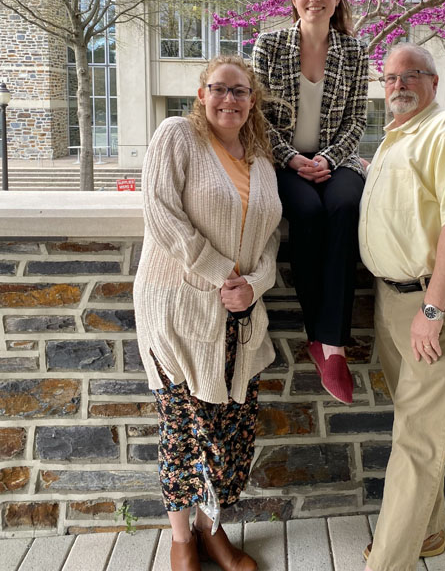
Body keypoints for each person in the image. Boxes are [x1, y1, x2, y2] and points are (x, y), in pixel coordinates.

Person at [133, 56, 282, 571]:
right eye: (219, 89)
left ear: (252, 99)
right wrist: (223, 272)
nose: (230, 100)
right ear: (202, 94)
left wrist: (255, 285)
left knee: (228, 433)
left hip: (237, 318)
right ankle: (181, 541)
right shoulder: (178, 136)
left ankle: (212, 529)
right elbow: (159, 209)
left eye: (240, 91)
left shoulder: (260, 157)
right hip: (177, 308)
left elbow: (270, 240)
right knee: (183, 428)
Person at [358, 43, 445, 571]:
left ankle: (387, 563)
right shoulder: (400, 137)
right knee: (415, 423)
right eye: (391, 77)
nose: (398, 85)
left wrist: (433, 310)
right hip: (395, 299)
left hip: (429, 302)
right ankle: (430, 533)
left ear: (434, 83)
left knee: (416, 438)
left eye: (412, 75)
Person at [252, 0, 369, 404]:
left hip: (336, 161)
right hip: (283, 162)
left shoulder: (353, 52)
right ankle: (316, 333)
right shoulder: (270, 45)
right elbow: (259, 117)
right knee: (308, 212)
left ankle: (332, 345)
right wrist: (293, 159)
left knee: (342, 207)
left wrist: (327, 157)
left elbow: (357, 118)